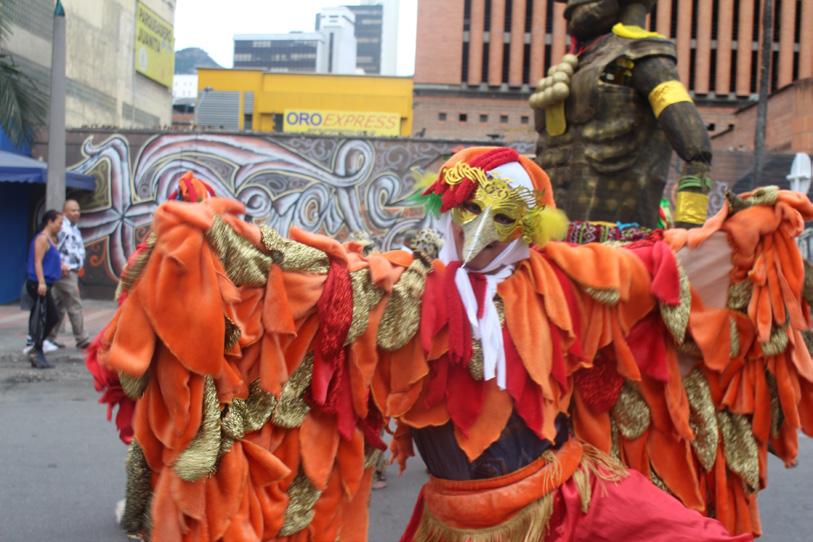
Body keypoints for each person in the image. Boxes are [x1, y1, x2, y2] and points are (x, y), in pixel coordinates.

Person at [87, 154, 813, 541]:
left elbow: (674, 272)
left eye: (501, 217)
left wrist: (747, 229)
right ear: (446, 211)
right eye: (467, 212)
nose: (480, 231)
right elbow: (296, 288)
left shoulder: (570, 277)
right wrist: (214, 244)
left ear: (527, 226)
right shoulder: (398, 292)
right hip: (452, 522)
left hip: (565, 504)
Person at [25, 210, 63, 369]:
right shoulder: (42, 238)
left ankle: (36, 349)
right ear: (50, 222)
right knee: (46, 318)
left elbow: (48, 260)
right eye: (59, 223)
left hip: (46, 283)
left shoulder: (51, 240)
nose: (60, 226)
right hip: (38, 284)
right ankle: (36, 350)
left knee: (49, 317)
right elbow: (37, 262)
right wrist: (41, 282)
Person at [49, 199, 90, 349]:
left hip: (70, 271)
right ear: (64, 212)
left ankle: (48, 337)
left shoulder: (73, 227)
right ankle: (82, 339)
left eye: (78, 210)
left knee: (57, 306)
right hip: (65, 272)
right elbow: (53, 246)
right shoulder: (62, 228)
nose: (77, 213)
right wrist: (60, 264)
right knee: (74, 304)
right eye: (73, 210)